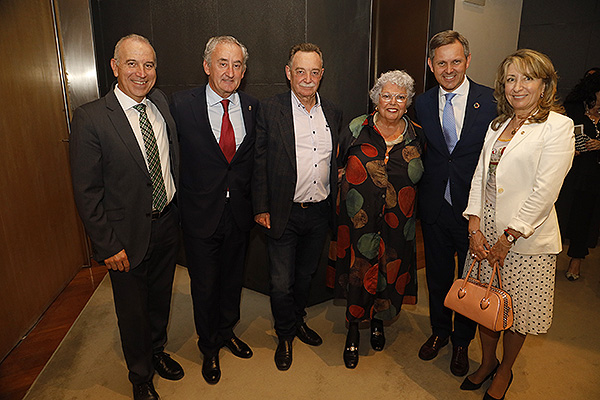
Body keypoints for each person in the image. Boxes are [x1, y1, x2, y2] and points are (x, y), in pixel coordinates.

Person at [70, 34, 183, 400]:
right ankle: (140, 375)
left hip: (166, 223)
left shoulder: (160, 103)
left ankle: (156, 351)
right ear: (115, 67)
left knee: (160, 299)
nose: (142, 72)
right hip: (124, 236)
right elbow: (87, 192)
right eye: (132, 63)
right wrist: (107, 244)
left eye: (149, 64)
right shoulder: (90, 118)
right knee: (132, 311)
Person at [462, 49, 574, 400]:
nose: (518, 86)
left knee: (515, 312)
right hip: (486, 232)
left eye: (527, 78)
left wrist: (508, 236)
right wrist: (474, 226)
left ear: (545, 85)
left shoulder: (559, 126)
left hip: (524, 238)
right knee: (485, 304)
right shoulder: (498, 124)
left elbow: (545, 190)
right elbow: (482, 175)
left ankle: (505, 370)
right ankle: (487, 362)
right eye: (511, 79)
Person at [170, 36, 258, 385]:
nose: (230, 71)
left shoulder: (253, 107)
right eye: (223, 63)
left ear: (244, 72)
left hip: (238, 212)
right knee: (204, 285)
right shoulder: (180, 105)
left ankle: (226, 332)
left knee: (233, 280)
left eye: (237, 65)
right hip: (199, 213)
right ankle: (209, 347)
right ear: (207, 66)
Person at [252, 43, 342, 371]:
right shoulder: (270, 108)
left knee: (305, 275)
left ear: (322, 74)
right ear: (288, 73)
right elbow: (260, 161)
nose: (307, 78)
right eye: (300, 71)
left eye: (314, 72)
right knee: (280, 281)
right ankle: (285, 334)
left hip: (318, 212)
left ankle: (299, 319)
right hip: (282, 211)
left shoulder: (332, 111)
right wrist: (261, 207)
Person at [414, 30, 497, 376]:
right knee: (436, 276)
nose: (449, 69)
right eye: (442, 62)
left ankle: (462, 342)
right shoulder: (421, 102)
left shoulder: (492, 101)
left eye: (456, 61)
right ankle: (439, 332)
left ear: (468, 60)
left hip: (472, 212)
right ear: (431, 65)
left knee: (469, 280)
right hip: (434, 206)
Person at [331, 70, 424, 369]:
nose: (393, 102)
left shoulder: (417, 134)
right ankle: (354, 331)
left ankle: (378, 323)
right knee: (359, 273)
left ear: (408, 102)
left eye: (400, 96)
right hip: (358, 222)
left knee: (388, 272)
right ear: (376, 99)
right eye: (387, 95)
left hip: (399, 224)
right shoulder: (357, 129)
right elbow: (337, 166)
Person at [557, 72, 600, 281]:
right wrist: (570, 146)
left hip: (593, 177)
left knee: (585, 219)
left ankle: (576, 261)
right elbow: (558, 135)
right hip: (571, 172)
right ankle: (549, 257)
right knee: (561, 215)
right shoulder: (573, 108)